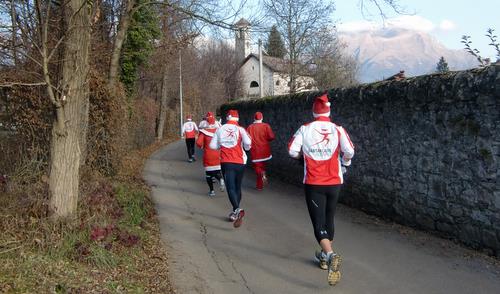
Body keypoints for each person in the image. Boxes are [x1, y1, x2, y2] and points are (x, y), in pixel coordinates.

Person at [287, 93, 354, 286]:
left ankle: (331, 255)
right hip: (335, 182)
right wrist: (345, 164)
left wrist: (303, 159)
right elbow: (349, 151)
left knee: (318, 223)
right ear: (329, 111)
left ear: (314, 112)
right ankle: (323, 257)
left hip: (314, 182)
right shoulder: (338, 129)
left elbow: (291, 151)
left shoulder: (305, 129)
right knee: (329, 218)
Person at [209, 109, 251, 228]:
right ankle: (235, 211)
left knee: (230, 188)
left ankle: (237, 209)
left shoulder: (220, 129)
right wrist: (244, 147)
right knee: (237, 187)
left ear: (227, 117)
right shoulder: (241, 129)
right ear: (237, 118)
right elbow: (248, 144)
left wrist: (220, 145)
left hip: (227, 162)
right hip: (241, 162)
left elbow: (212, 145)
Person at [196, 116, 225, 197]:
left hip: (208, 154)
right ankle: (220, 179)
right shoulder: (219, 130)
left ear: (207, 122)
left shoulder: (204, 132)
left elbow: (198, 143)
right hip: (218, 154)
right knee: (217, 171)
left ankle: (212, 191)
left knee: (208, 174)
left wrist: (203, 146)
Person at [246, 111, 275, 190]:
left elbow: (247, 139)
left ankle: (261, 175)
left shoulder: (250, 127)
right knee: (262, 166)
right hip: (265, 150)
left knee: (257, 168)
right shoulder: (266, 126)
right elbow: (271, 137)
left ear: (254, 118)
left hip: (255, 151)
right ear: (262, 118)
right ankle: (259, 186)